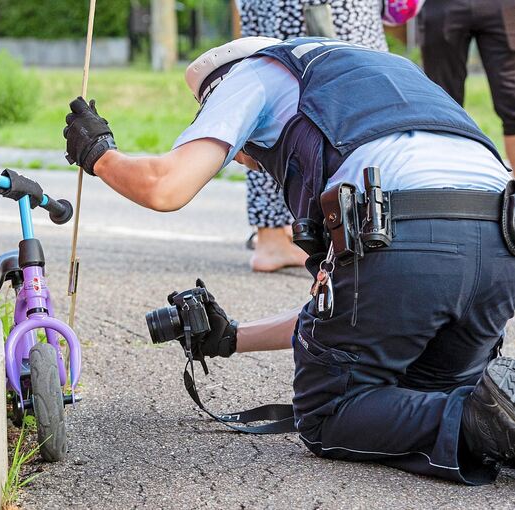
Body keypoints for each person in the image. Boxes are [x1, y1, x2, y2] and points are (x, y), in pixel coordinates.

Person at [63, 36, 515, 484]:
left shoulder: (252, 73)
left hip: (404, 238)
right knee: (434, 398)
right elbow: (348, 311)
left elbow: (166, 187)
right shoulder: (385, 74)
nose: (244, 158)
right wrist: (231, 338)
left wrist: (100, 156)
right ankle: (491, 417)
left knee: (328, 413)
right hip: (501, 246)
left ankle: (484, 420)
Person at [238, 0, 389, 272]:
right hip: (327, 9)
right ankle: (349, 227)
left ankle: (271, 234)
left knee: (270, 93)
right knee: (357, 96)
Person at [418, 0, 515, 166]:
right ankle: (444, 183)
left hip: (502, 5)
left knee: (512, 99)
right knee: (441, 103)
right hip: (442, 5)